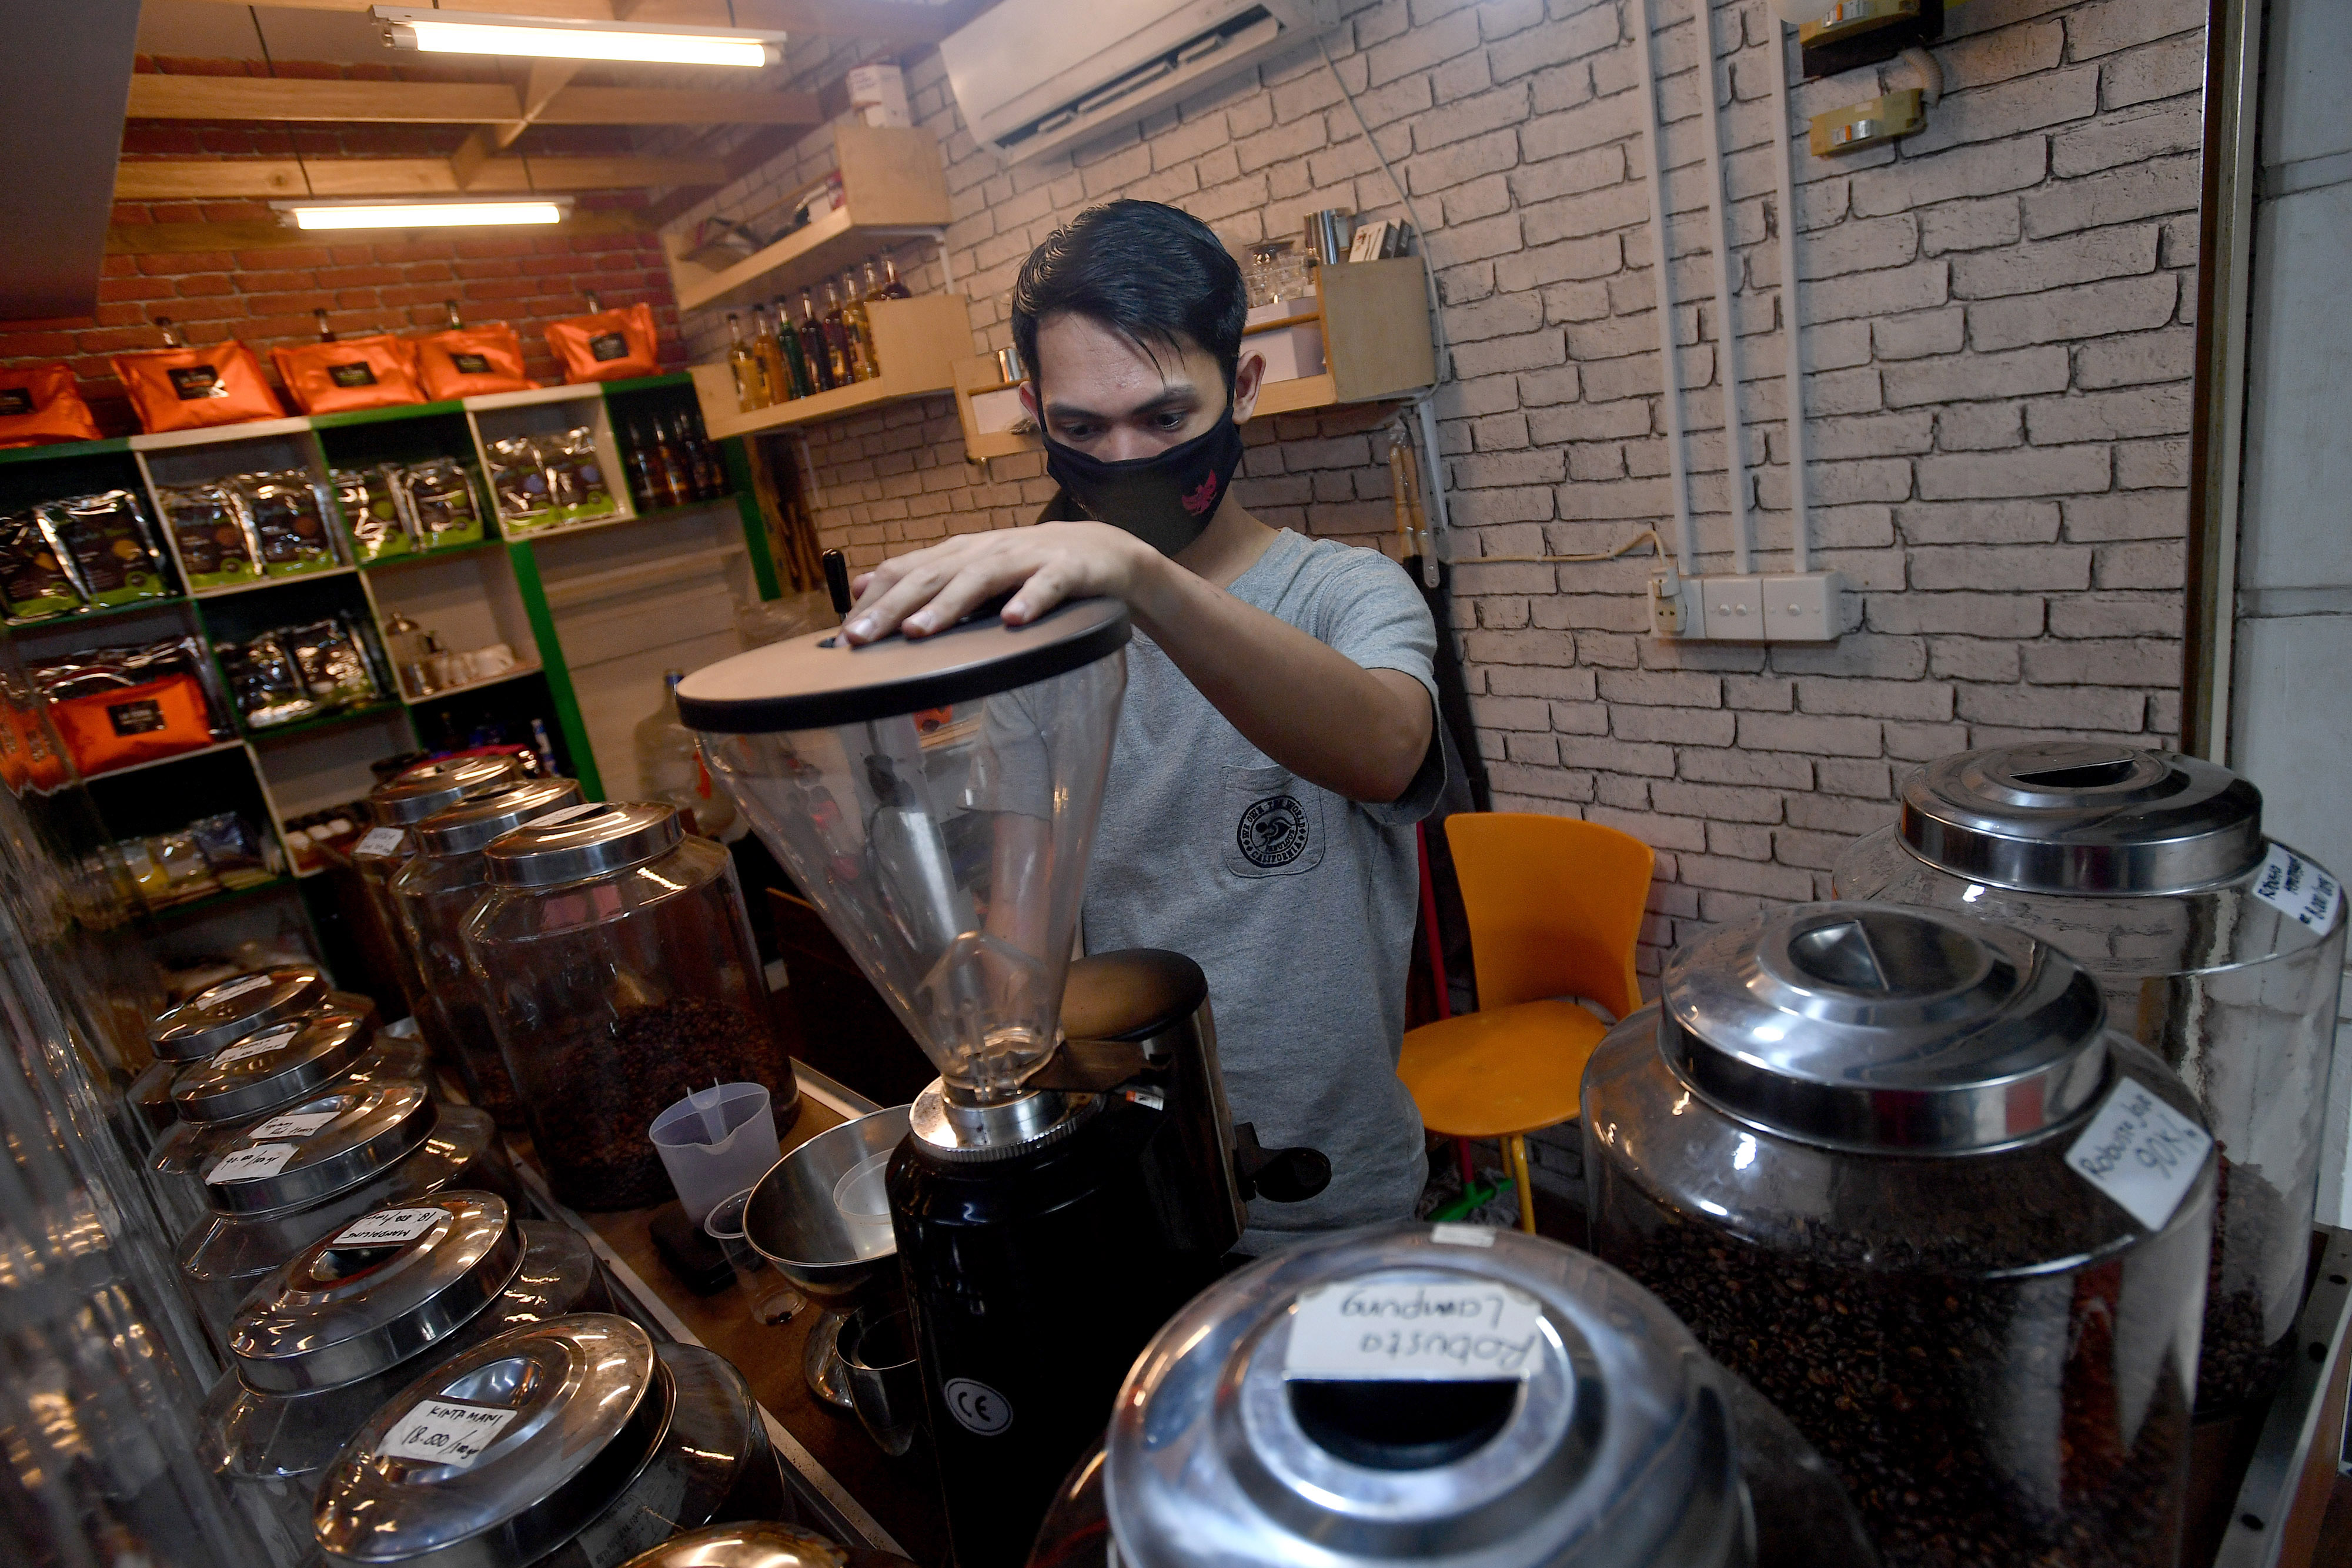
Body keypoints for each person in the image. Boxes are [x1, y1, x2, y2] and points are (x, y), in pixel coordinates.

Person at [844, 199, 1445, 1251]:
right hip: (1128, 1175)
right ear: (1034, 411)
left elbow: (1389, 751)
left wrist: (1137, 574)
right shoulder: (1033, 639)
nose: (1125, 460)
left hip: (1332, 1194)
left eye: (1166, 420)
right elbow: (1011, 910)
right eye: (1081, 430)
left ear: (1242, 387)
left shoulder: (1344, 594)